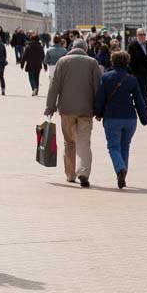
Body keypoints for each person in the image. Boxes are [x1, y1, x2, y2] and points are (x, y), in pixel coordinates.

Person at [44, 39, 101, 187]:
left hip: (66, 110)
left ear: (72, 48)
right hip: (86, 110)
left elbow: (54, 86)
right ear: (85, 49)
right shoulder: (92, 63)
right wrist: (99, 109)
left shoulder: (62, 62)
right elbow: (98, 87)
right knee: (84, 142)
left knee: (69, 142)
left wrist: (50, 106)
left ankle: (70, 175)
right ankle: (83, 173)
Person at [95, 51, 147, 189]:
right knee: (125, 147)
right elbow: (139, 100)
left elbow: (100, 98)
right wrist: (144, 118)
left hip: (112, 118)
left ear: (112, 62)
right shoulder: (132, 79)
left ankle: (120, 169)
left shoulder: (106, 77)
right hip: (130, 119)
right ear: (127, 62)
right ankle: (123, 175)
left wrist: (97, 112)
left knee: (113, 147)